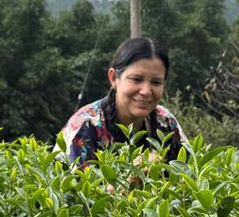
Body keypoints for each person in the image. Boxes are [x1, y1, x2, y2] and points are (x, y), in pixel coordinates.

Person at [61, 37, 186, 168]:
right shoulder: (86, 125)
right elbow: (71, 187)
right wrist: (130, 178)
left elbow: (190, 178)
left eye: (156, 82)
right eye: (136, 79)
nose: (146, 91)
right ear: (113, 78)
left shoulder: (166, 123)